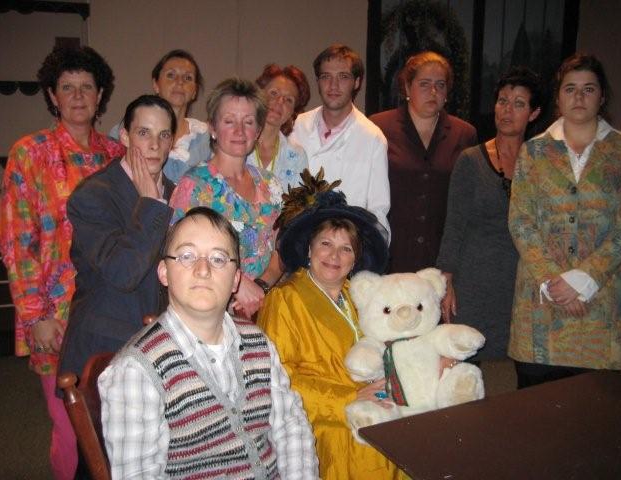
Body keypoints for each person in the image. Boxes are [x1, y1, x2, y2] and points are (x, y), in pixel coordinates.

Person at [98, 206, 319, 479]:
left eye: (218, 259)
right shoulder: (137, 371)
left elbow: (290, 427)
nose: (203, 270)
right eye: (187, 256)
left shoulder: (257, 343)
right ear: (164, 272)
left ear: (236, 279)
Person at [0, 45, 125, 479]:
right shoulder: (29, 153)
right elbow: (17, 242)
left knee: (112, 425)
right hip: (56, 316)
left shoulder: (116, 154)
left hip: (110, 312)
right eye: (67, 87)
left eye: (86, 87)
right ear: (52, 95)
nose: (77, 96)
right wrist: (35, 315)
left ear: (100, 94)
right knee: (72, 430)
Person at [256, 169, 404, 479]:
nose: (334, 255)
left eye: (346, 248)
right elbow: (279, 379)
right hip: (321, 419)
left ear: (355, 259)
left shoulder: (362, 297)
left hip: (374, 404)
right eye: (325, 244)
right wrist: (349, 398)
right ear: (309, 249)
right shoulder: (285, 299)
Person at [508, 53, 621, 388]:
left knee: (594, 412)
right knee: (533, 410)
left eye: (588, 89)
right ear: (558, 97)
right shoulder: (533, 152)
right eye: (570, 89)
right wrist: (555, 282)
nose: (579, 97)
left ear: (602, 96)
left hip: (602, 304)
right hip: (542, 306)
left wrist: (584, 280)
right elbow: (521, 221)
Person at [58, 94, 176, 382]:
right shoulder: (94, 194)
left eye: (163, 135)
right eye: (143, 133)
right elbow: (123, 272)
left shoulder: (178, 192)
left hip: (161, 345)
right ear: (124, 136)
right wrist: (151, 205)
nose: (154, 145)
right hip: (105, 350)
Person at [436, 67, 542, 361]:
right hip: (474, 278)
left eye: (519, 104)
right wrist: (446, 282)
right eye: (502, 101)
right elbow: (454, 225)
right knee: (463, 365)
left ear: (533, 113)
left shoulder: (541, 164)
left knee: (525, 363)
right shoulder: (471, 160)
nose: (507, 110)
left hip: (521, 279)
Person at [171, 78, 284, 318]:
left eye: (248, 122)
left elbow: (281, 248)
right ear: (212, 128)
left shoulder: (270, 184)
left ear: (258, 130)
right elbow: (179, 256)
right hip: (211, 312)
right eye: (229, 121)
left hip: (266, 307)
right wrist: (238, 284)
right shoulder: (195, 185)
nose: (239, 131)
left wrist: (261, 286)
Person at [370, 51, 477, 272]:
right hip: (391, 253)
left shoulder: (464, 133)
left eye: (440, 85)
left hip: (440, 257)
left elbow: (467, 202)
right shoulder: (379, 127)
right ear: (407, 88)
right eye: (424, 84)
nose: (433, 91)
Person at [290, 44, 391, 236]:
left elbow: (378, 211)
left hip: (345, 243)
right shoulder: (298, 126)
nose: (333, 85)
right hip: (299, 238)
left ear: (357, 82)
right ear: (318, 81)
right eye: (326, 76)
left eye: (343, 77)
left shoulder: (372, 138)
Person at [109, 49, 210, 183]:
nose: (180, 82)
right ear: (156, 84)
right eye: (171, 75)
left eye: (188, 78)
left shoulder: (206, 138)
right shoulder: (122, 132)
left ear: (194, 91)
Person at [247, 63, 310, 190]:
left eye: (289, 100)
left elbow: (300, 200)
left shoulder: (297, 156)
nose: (280, 101)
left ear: (293, 111)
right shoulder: (236, 141)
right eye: (274, 93)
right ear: (259, 95)